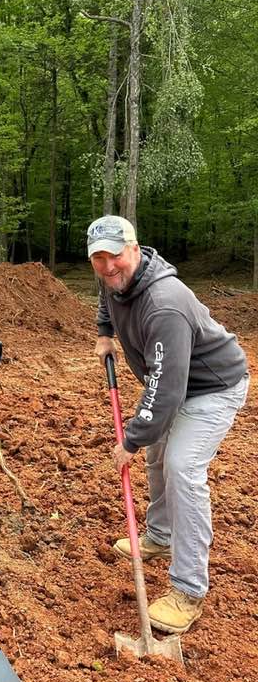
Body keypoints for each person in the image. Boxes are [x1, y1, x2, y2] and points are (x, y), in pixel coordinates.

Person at [88, 215, 249, 634]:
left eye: (115, 256)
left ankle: (188, 590)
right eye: (99, 259)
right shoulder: (115, 278)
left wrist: (132, 438)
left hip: (212, 387)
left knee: (181, 466)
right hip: (175, 384)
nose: (108, 266)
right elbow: (108, 296)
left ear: (135, 249)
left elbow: (166, 390)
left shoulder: (165, 304)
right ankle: (159, 536)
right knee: (158, 456)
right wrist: (105, 332)